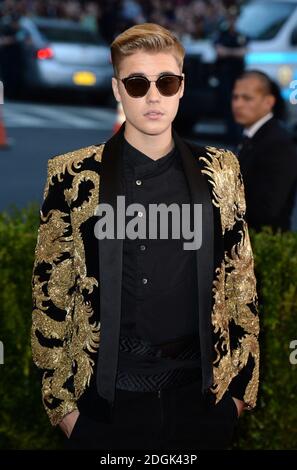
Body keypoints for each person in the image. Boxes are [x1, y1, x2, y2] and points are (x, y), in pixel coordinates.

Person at [31, 23, 259, 450]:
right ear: (118, 90)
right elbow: (50, 292)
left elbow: (240, 279)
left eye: (166, 82)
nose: (153, 96)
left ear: (181, 88)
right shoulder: (73, 173)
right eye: (137, 84)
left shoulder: (222, 168)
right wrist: (66, 413)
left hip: (203, 402)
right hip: (105, 406)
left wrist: (238, 399)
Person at [232, 70, 297, 232]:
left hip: (264, 245)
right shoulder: (250, 136)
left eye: (247, 98)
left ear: (268, 102)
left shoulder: (279, 143)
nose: (238, 104)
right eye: (235, 97)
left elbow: (267, 209)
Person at [214, 7, 248, 144]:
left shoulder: (241, 35)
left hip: (238, 75)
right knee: (228, 105)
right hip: (225, 75)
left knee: (239, 103)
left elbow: (244, 52)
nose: (232, 21)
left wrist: (229, 52)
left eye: (234, 19)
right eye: (230, 18)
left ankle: (238, 135)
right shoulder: (222, 35)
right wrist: (234, 52)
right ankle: (230, 135)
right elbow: (219, 51)